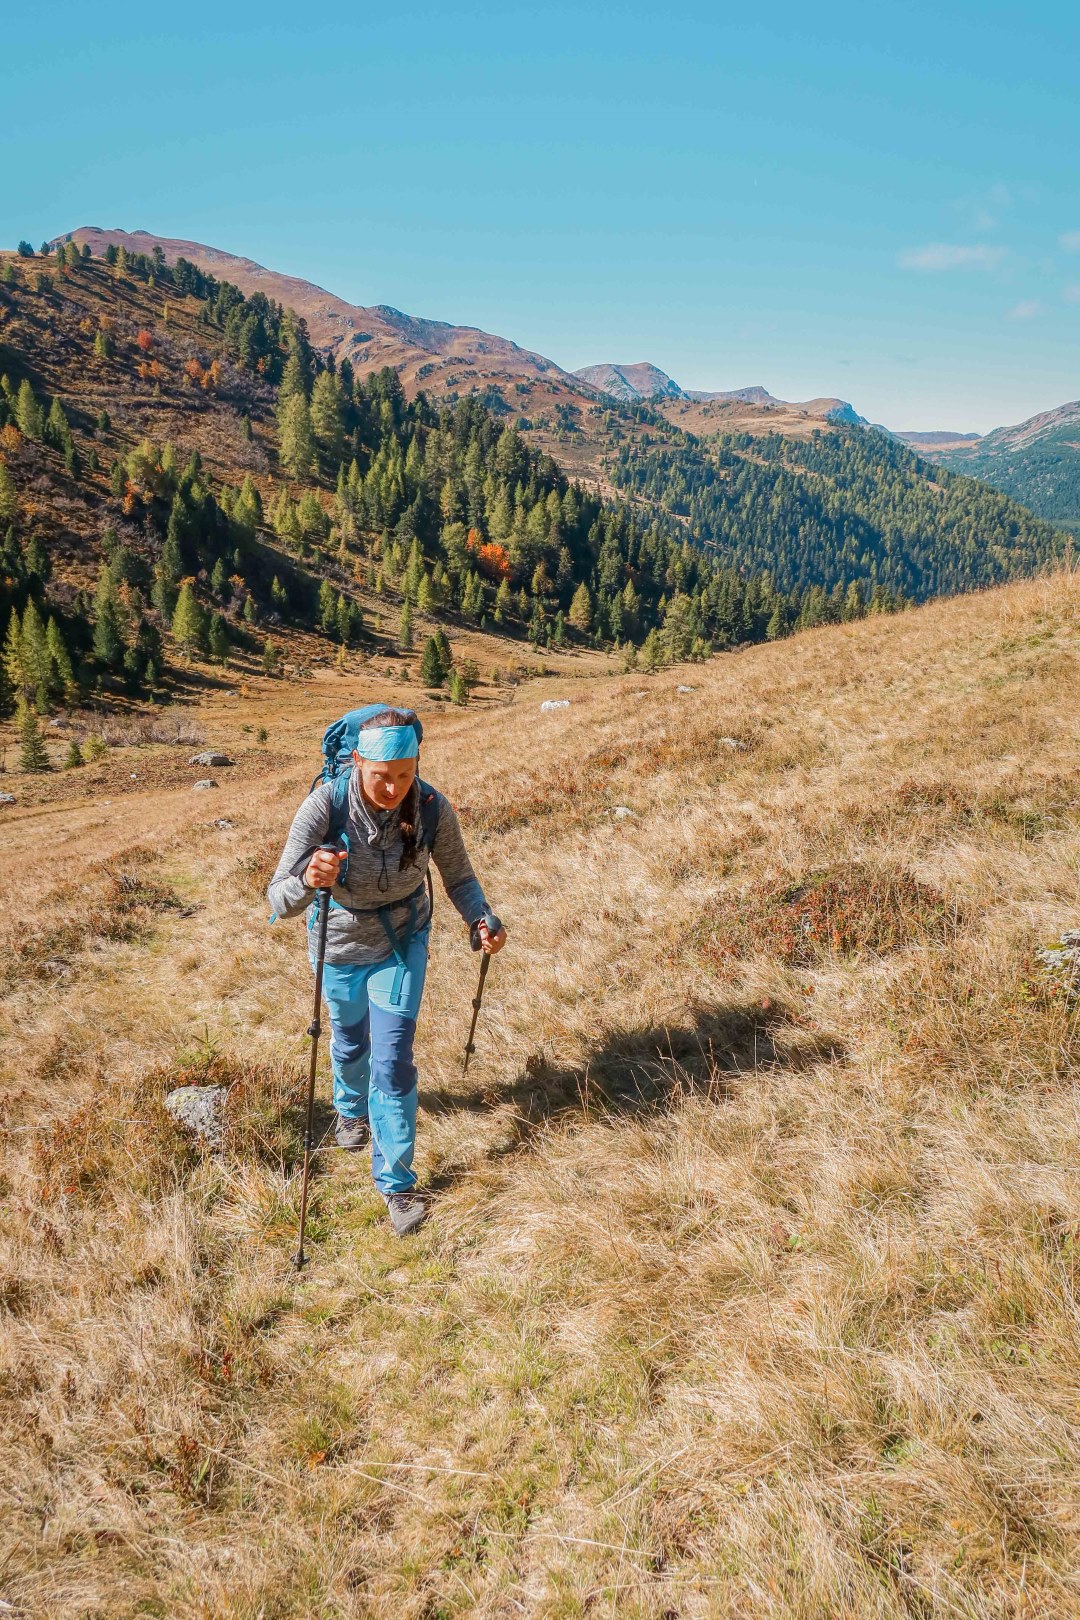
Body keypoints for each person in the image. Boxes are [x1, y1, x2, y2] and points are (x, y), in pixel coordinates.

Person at [267, 706, 506, 1236]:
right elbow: (278, 899)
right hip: (339, 947)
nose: (394, 787)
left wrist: (481, 919)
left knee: (393, 1059)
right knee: (351, 1042)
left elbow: (460, 879)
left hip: (403, 942)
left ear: (416, 763)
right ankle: (350, 1110)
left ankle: (396, 1184)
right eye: (382, 776)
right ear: (356, 762)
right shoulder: (324, 807)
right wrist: (310, 878)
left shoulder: (431, 808)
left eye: (405, 773)